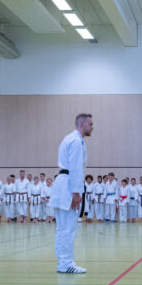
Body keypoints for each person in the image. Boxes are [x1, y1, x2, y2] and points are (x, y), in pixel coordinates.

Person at [48, 112, 93, 274]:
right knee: (67, 228)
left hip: (62, 183)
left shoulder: (69, 138)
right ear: (81, 125)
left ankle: (64, 262)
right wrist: (76, 192)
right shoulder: (75, 141)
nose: (92, 127)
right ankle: (66, 264)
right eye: (90, 124)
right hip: (68, 185)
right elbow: (76, 168)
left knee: (62, 229)